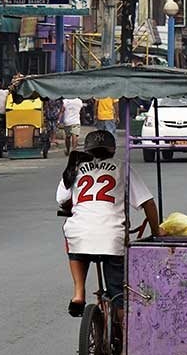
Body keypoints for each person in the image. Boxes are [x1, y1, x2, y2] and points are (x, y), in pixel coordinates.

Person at [57, 130, 163, 320]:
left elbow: (61, 199)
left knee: (74, 239)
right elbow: (148, 202)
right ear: (113, 151)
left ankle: (78, 293)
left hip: (80, 232)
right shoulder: (122, 167)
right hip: (111, 235)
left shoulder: (76, 168)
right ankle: (124, 336)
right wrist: (157, 231)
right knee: (118, 294)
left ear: (87, 150)